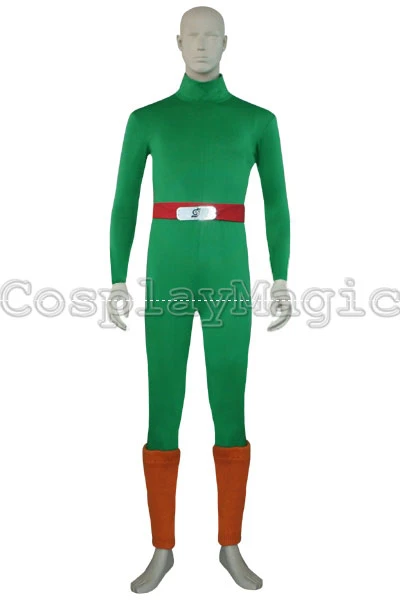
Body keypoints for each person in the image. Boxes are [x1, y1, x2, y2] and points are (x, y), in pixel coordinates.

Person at [108, 5, 291, 593]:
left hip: (229, 274)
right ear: (178, 43)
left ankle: (230, 545)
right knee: (163, 404)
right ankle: (162, 549)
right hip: (166, 271)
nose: (203, 44)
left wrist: (281, 276)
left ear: (227, 43)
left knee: (229, 403)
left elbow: (277, 201)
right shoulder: (147, 119)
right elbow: (125, 201)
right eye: (194, 35)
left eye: (213, 35)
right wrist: (116, 278)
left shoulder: (257, 120)